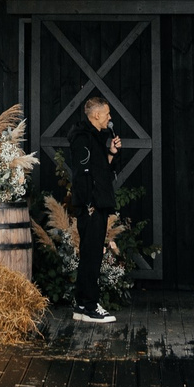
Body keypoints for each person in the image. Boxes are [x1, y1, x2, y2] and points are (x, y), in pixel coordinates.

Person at [68, 95, 120, 325]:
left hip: (97, 202)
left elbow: (100, 170)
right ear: (97, 115)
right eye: (107, 113)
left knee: (91, 253)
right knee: (91, 255)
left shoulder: (96, 137)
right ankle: (90, 306)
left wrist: (111, 153)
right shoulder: (82, 137)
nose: (110, 117)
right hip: (92, 205)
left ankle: (82, 305)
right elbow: (82, 174)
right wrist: (89, 204)